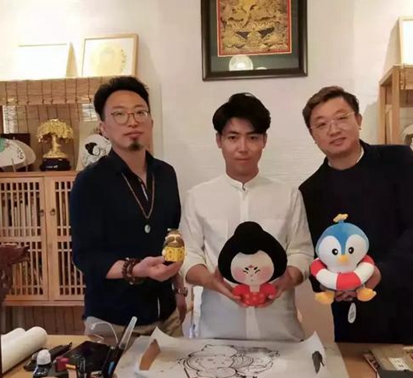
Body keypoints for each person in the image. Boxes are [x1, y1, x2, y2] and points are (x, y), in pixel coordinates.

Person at [299, 86, 413, 345]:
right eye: (321, 124)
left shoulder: (398, 160)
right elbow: (314, 254)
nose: (333, 129)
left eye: (341, 118)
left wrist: (381, 272)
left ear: (358, 120)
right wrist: (326, 283)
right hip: (355, 319)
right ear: (313, 136)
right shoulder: (310, 191)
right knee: (358, 372)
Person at [179, 93, 313, 341]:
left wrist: (286, 279)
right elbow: (188, 254)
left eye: (252, 137)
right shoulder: (198, 197)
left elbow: (302, 251)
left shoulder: (288, 196)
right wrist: (210, 280)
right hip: (217, 335)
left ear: (264, 141)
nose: (243, 147)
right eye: (233, 137)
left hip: (280, 335)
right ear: (219, 140)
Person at [70, 76, 187, 340]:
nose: (132, 121)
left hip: (166, 316)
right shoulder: (89, 182)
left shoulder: (166, 174)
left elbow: (173, 235)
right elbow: (85, 256)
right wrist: (135, 269)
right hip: (113, 323)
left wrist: (179, 290)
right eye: (119, 114)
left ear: (151, 122)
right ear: (103, 128)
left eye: (139, 112)